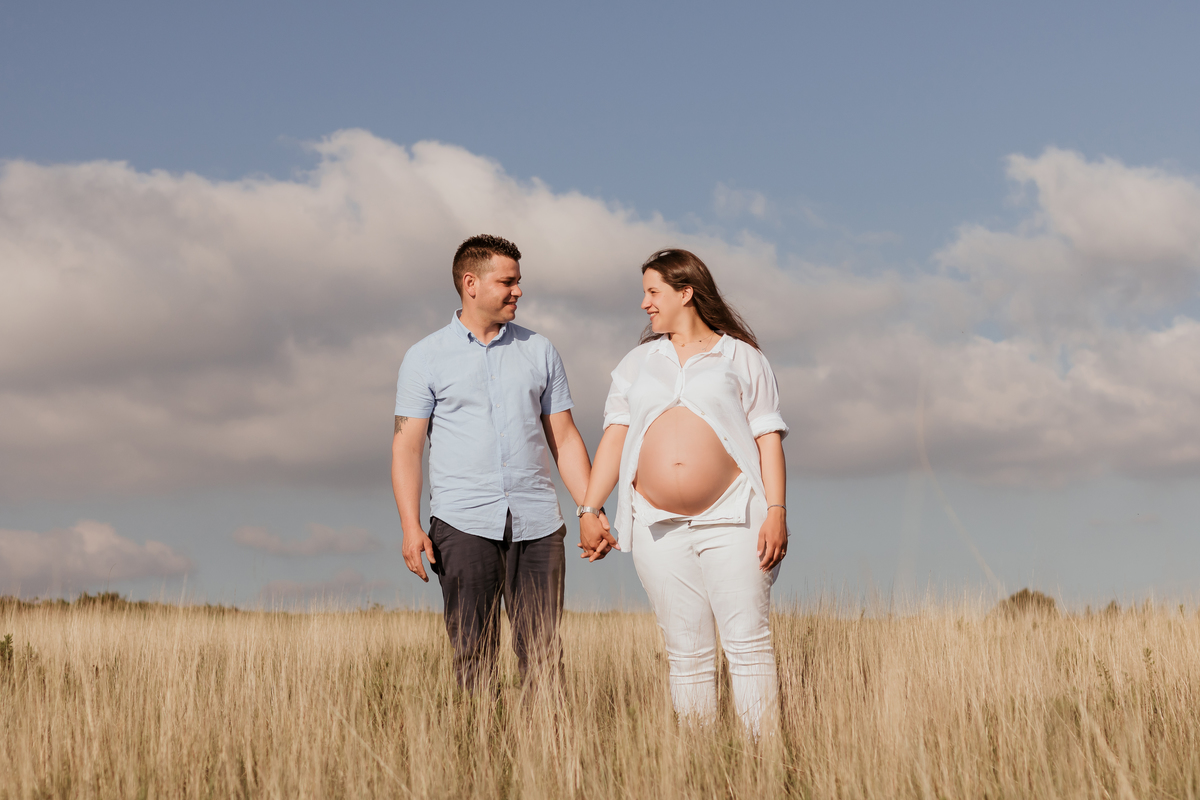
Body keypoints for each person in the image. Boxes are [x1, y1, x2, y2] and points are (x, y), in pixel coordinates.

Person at [578, 248, 788, 734]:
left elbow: (767, 437)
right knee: (685, 650)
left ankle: (762, 764)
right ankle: (699, 768)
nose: (645, 304)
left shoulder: (742, 357)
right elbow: (614, 437)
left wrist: (776, 509)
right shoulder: (636, 363)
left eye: (653, 292)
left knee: (748, 644)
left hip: (735, 517)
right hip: (656, 524)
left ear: (685, 293)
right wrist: (590, 506)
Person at [392, 234, 604, 690]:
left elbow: (564, 439)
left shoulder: (540, 350)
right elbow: (407, 447)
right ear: (471, 283)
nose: (518, 291)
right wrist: (411, 527)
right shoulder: (424, 357)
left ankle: (546, 758)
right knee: (473, 652)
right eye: (507, 282)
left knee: (545, 654)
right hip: (462, 521)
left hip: (538, 523)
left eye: (519, 281)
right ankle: (477, 754)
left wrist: (590, 509)